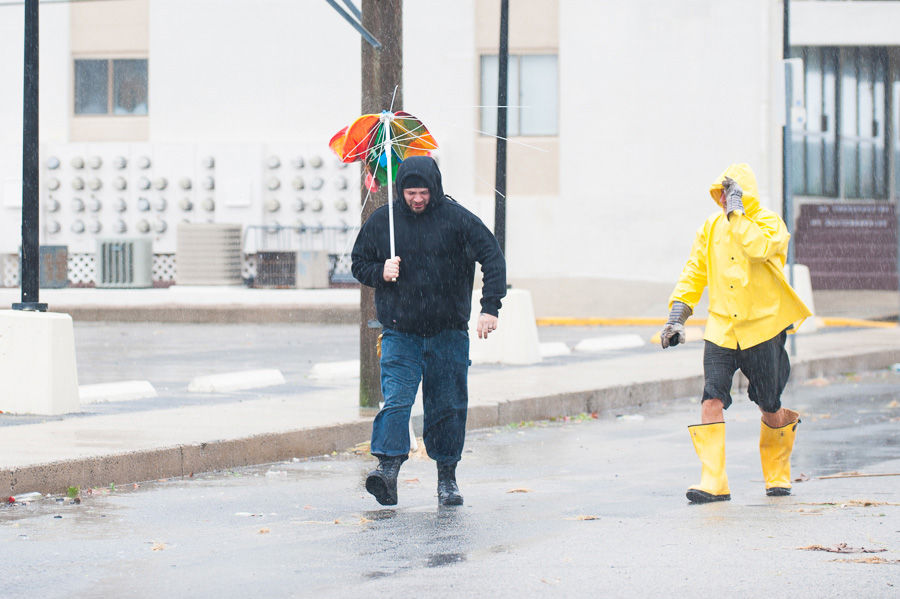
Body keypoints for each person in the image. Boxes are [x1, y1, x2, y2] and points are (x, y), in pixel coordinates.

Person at [351, 155, 507, 507]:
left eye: (423, 192)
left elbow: (493, 256)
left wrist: (489, 307)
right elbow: (359, 262)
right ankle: (387, 470)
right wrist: (381, 271)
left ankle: (447, 478)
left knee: (447, 406)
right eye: (410, 193)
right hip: (399, 331)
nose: (417, 199)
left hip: (448, 332)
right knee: (397, 401)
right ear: (400, 190)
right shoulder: (384, 221)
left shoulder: (458, 219)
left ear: (434, 188)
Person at [660, 163, 812, 504]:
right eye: (723, 194)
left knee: (769, 404)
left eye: (732, 193)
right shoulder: (711, 227)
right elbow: (694, 272)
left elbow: (757, 248)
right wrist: (677, 316)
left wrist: (739, 213)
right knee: (711, 397)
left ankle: (777, 472)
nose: (725, 200)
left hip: (763, 329)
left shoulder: (770, 223)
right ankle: (713, 480)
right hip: (721, 329)